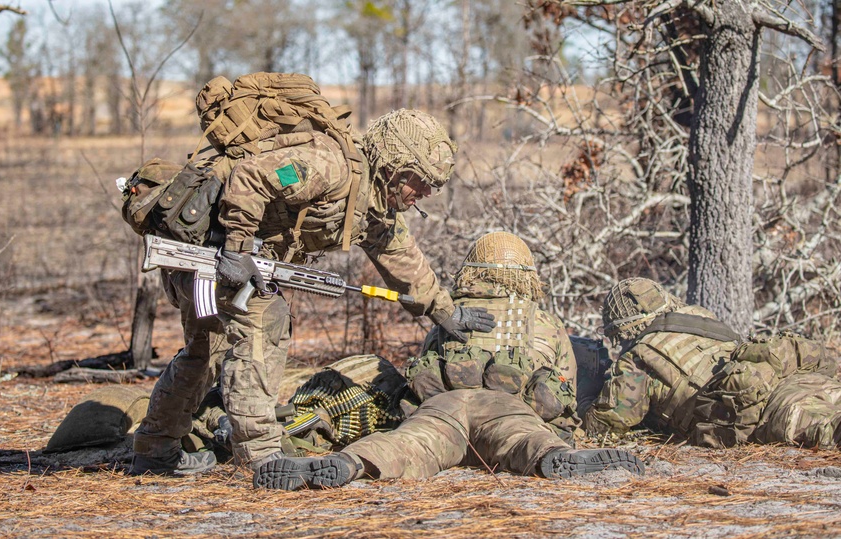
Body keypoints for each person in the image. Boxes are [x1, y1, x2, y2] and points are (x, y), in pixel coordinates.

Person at [130, 107, 496, 475]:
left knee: (204, 352)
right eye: (420, 181)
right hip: (207, 252)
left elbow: (400, 255)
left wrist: (445, 311)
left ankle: (155, 448)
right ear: (393, 165)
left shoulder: (373, 202)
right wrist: (238, 247)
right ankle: (262, 458)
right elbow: (252, 177)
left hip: (226, 259)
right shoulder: (326, 166)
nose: (426, 193)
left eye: (432, 186)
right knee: (266, 322)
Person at [584, 277, 841, 449]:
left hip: (767, 410)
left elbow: (608, 423)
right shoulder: (699, 315)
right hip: (796, 377)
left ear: (621, 328)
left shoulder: (639, 358)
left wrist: (584, 406)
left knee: (831, 431)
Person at [253, 389, 645, 490]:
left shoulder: (451, 315)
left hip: (442, 405)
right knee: (523, 438)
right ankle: (553, 456)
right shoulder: (541, 322)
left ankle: (351, 463)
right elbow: (560, 396)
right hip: (505, 405)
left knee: (410, 443)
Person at [404, 231, 581, 440]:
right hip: (526, 431)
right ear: (527, 275)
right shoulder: (547, 322)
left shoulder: (449, 319)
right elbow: (567, 390)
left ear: (469, 270)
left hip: (450, 428)